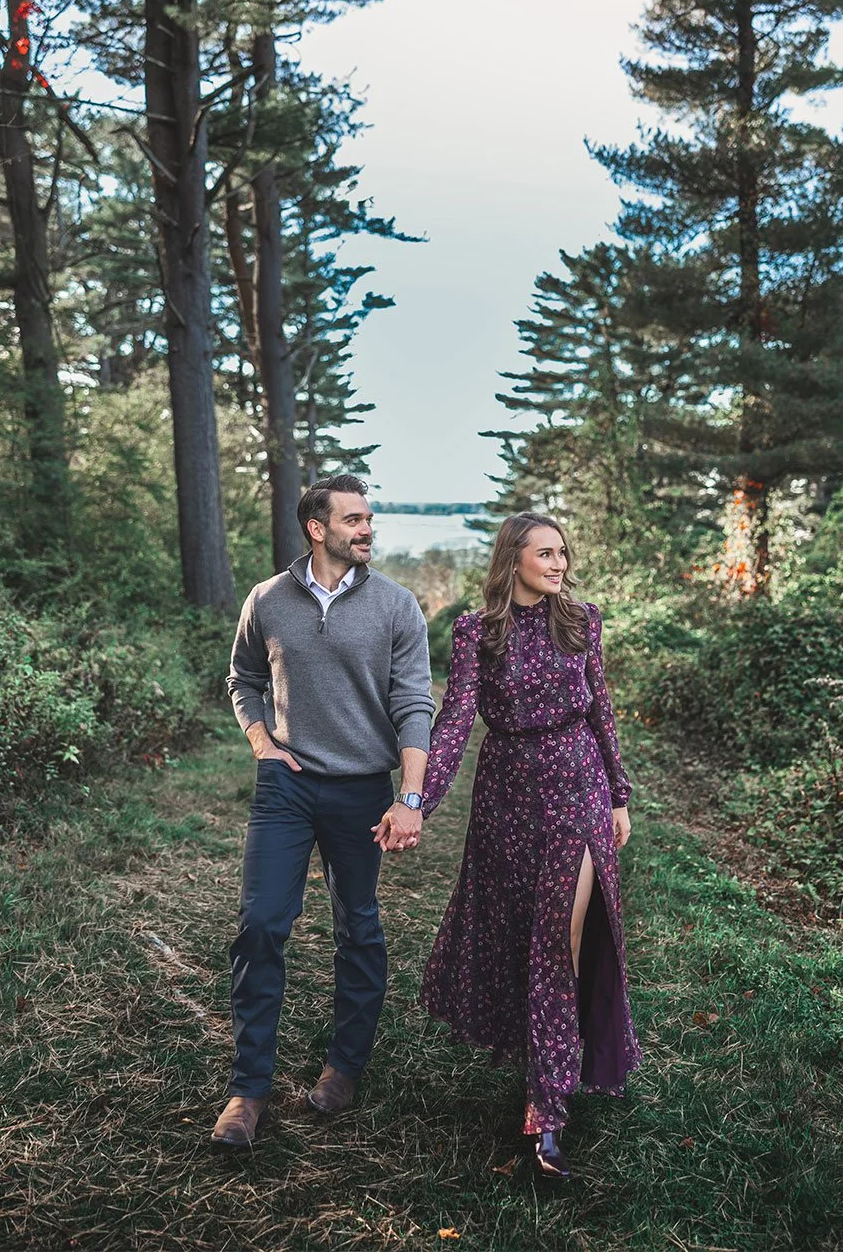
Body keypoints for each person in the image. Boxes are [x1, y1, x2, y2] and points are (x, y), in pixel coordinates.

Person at [413, 512, 639, 1180]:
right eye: (547, 553)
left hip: (578, 788)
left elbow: (600, 708)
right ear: (513, 559)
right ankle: (544, 1054)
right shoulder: (476, 632)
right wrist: (419, 799)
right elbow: (456, 720)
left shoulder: (583, 621)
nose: (560, 563)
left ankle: (549, 1104)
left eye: (564, 552)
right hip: (507, 797)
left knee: (559, 939)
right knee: (520, 937)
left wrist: (619, 793)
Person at [214, 473, 435, 1147]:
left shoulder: (396, 605)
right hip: (287, 785)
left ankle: (345, 1066)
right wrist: (262, 743)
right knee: (260, 924)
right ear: (318, 529)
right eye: (353, 519)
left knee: (357, 926)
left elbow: (414, 702)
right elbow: (244, 678)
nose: (367, 529)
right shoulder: (267, 599)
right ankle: (248, 1089)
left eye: (369, 518)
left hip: (362, 788)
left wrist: (410, 797)